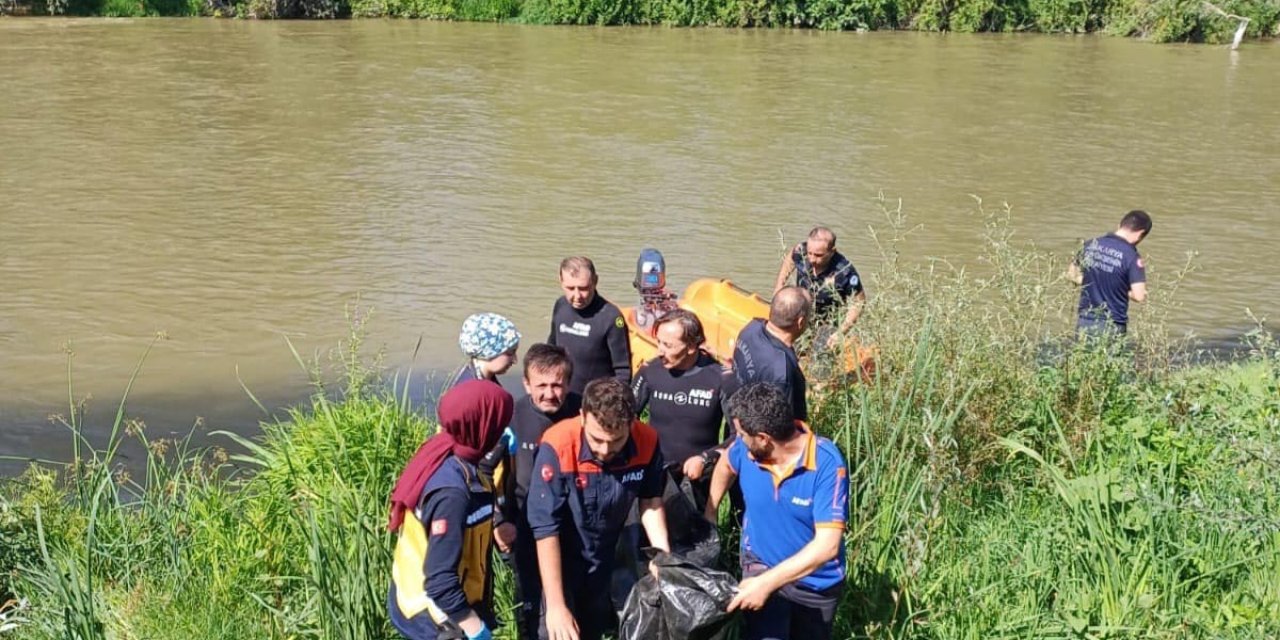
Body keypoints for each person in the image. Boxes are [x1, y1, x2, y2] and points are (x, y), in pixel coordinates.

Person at [526, 378, 670, 640]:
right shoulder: (557, 445)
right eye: (597, 440)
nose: (605, 450)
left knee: (592, 629)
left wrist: (663, 558)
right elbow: (546, 528)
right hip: (557, 559)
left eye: (616, 441)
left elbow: (650, 501)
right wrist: (556, 605)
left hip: (604, 559)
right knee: (554, 632)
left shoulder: (647, 440)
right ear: (582, 416)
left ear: (632, 423)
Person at [703, 382, 849, 640]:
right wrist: (711, 512)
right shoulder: (744, 449)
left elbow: (827, 546)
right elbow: (726, 464)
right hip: (760, 563)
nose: (737, 441)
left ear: (763, 439)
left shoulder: (826, 463)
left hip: (815, 583)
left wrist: (766, 583)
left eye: (741, 435)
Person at [387, 381, 516, 640]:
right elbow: (439, 581)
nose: (503, 429)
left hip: (431, 597)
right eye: (500, 422)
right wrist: (475, 629)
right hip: (436, 616)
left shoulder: (450, 453)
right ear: (482, 425)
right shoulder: (452, 491)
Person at [496, 344, 582, 640]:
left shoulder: (583, 413)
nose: (549, 393)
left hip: (575, 524)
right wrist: (499, 520)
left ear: (568, 384)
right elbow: (491, 475)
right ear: (526, 384)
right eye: (541, 385)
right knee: (530, 605)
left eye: (557, 385)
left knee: (576, 602)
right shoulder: (510, 417)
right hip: (524, 524)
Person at [631, 309, 734, 504]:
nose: (659, 351)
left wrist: (706, 458)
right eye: (659, 342)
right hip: (654, 474)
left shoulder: (721, 378)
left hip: (698, 478)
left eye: (668, 345)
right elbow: (624, 417)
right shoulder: (649, 372)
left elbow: (739, 435)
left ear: (692, 347)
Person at [547, 257, 632, 395]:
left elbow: (622, 370)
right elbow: (551, 349)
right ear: (560, 281)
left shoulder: (611, 317)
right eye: (570, 288)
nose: (577, 296)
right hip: (562, 396)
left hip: (596, 401)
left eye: (583, 288)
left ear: (595, 281)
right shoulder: (560, 306)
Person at [773, 226, 865, 348]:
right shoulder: (801, 251)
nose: (811, 259)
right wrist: (779, 286)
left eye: (818, 255)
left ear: (832, 252)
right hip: (801, 313)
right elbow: (790, 259)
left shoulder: (845, 272)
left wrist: (841, 332)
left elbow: (859, 303)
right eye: (810, 253)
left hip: (827, 323)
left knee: (821, 359)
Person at [732, 286, 812, 421]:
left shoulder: (751, 328)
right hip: (760, 437)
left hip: (739, 421)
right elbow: (779, 426)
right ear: (801, 322)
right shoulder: (781, 370)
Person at [1068, 210, 1152, 336]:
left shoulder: (1090, 245)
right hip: (1111, 325)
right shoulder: (1132, 257)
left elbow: (1071, 275)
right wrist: (1120, 288)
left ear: (1119, 225)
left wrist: (1092, 282)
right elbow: (1139, 296)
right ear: (1140, 234)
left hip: (1085, 321)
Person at [452, 312, 521, 388]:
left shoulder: (478, 378)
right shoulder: (473, 392)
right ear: (489, 352)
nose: (515, 360)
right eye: (511, 352)